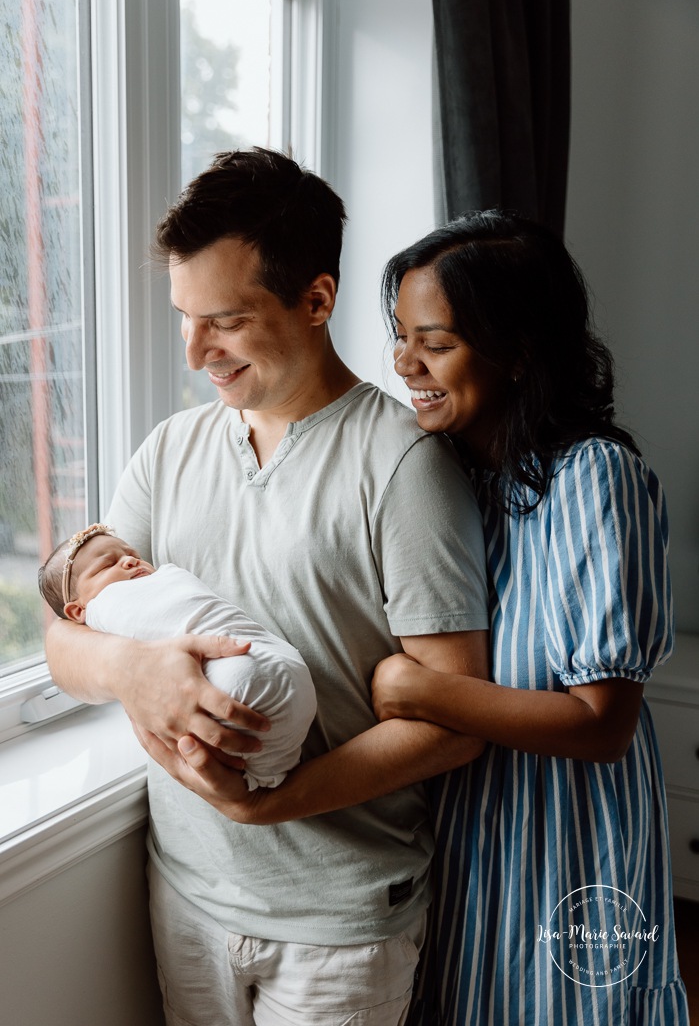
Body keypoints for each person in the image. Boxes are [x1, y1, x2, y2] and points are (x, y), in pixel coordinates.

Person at [45, 148, 491, 1026]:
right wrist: (133, 674)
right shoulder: (169, 450)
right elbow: (70, 632)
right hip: (185, 891)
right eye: (183, 316)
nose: (195, 349)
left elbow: (453, 724)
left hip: (340, 927)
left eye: (226, 320)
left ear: (316, 299)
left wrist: (274, 805)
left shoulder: (403, 468)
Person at [366, 210, 688, 1025]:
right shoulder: (442, 480)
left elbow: (599, 725)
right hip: (470, 834)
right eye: (400, 336)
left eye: (433, 343)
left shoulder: (595, 481)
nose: (404, 364)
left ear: (516, 352)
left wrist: (416, 688)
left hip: (567, 836)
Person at [38, 523, 316, 791]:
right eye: (107, 565)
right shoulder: (103, 607)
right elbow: (60, 641)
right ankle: (268, 774)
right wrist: (124, 664)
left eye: (132, 555)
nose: (129, 562)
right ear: (77, 611)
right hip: (259, 678)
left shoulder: (161, 580)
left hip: (272, 659)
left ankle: (267, 776)